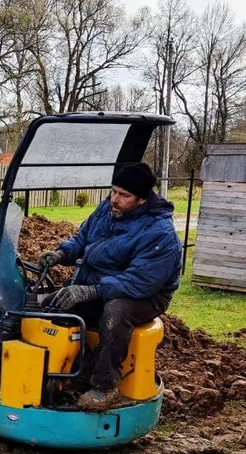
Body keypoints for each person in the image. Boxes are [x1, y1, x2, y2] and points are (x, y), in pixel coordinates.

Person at [38, 162, 182, 412]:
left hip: (146, 294)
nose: (115, 199)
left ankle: (105, 386)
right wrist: (61, 254)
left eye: (123, 195)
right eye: (113, 191)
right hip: (103, 282)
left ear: (141, 199)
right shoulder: (109, 209)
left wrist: (90, 291)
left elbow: (139, 282)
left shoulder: (160, 233)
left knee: (116, 311)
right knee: (53, 305)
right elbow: (83, 238)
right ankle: (71, 370)